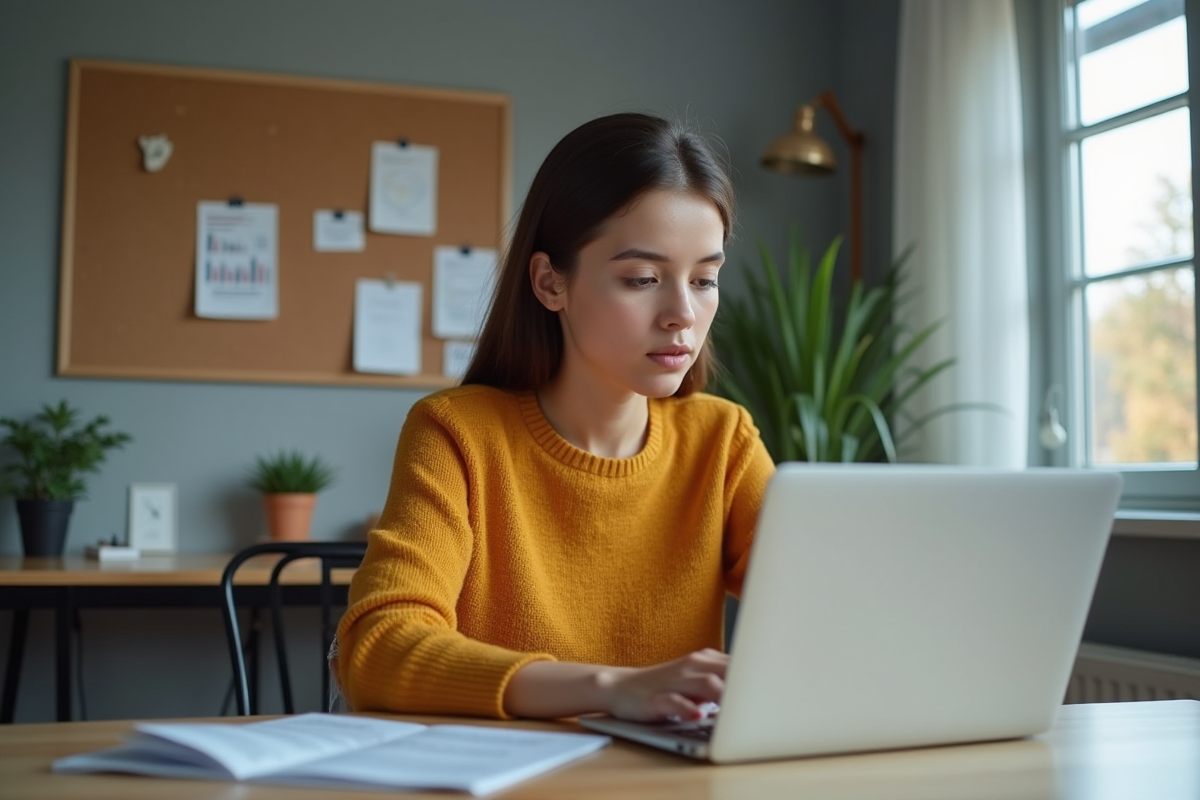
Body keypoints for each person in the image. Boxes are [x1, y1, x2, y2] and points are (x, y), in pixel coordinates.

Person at [336, 112, 776, 722]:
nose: (682, 313)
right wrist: (610, 688)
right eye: (642, 278)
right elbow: (377, 649)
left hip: (664, 774)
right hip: (505, 770)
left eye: (705, 279)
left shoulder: (722, 441)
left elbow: (830, 609)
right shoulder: (458, 434)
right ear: (550, 283)